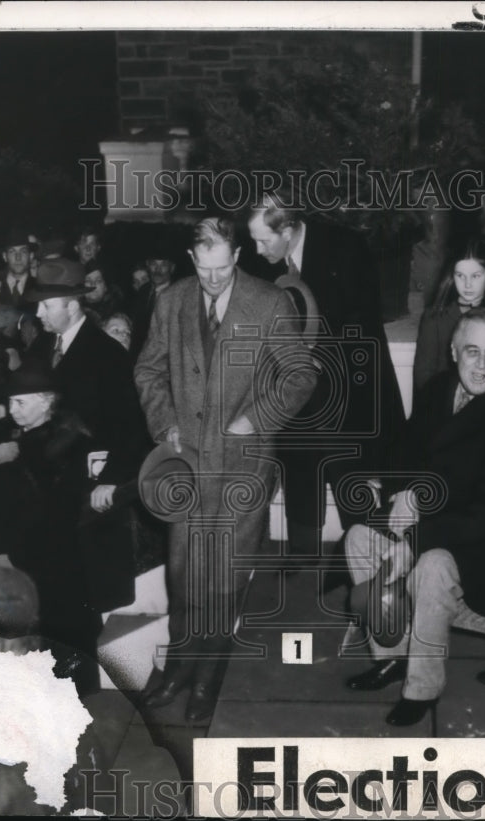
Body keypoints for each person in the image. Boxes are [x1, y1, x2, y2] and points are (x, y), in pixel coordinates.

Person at [135, 217, 316, 721]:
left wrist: (256, 418)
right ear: (192, 258)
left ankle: (207, 681)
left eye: (222, 268)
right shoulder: (170, 302)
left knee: (222, 582)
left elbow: (301, 374)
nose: (213, 280)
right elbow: (148, 369)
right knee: (183, 577)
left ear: (236, 257)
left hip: (242, 469)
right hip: (186, 471)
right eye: (203, 268)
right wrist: (164, 422)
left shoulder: (269, 302)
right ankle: (177, 670)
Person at [344, 309, 485, 726]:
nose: (482, 365)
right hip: (429, 519)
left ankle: (421, 687)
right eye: (472, 352)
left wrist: (415, 539)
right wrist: (408, 491)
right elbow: (405, 450)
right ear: (454, 352)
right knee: (359, 537)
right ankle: (392, 656)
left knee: (432, 566)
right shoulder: (439, 388)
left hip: (481, 543)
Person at [248, 191, 406, 559]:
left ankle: (369, 555)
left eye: (263, 240)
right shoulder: (264, 265)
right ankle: (303, 555)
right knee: (299, 466)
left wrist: (318, 358)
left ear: (287, 229)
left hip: (350, 385)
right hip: (297, 394)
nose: (257, 250)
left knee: (351, 471)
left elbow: (362, 324)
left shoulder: (345, 247)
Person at [0, 363, 113, 694]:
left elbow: (53, 510)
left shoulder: (69, 439)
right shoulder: (3, 435)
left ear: (46, 400)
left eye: (20, 403)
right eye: (10, 403)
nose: (12, 411)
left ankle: (78, 706)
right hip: (16, 555)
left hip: (58, 558)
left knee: (68, 636)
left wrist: (14, 553)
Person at [24, 257, 150, 494]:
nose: (39, 313)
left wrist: (111, 478)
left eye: (47, 306)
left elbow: (129, 424)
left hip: (87, 483)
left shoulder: (109, 354)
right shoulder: (40, 346)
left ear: (72, 307)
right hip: (42, 480)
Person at [412, 238, 485, 394]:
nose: (467, 284)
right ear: (451, 276)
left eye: (475, 276)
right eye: (460, 275)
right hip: (445, 401)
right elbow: (424, 377)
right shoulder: (435, 317)